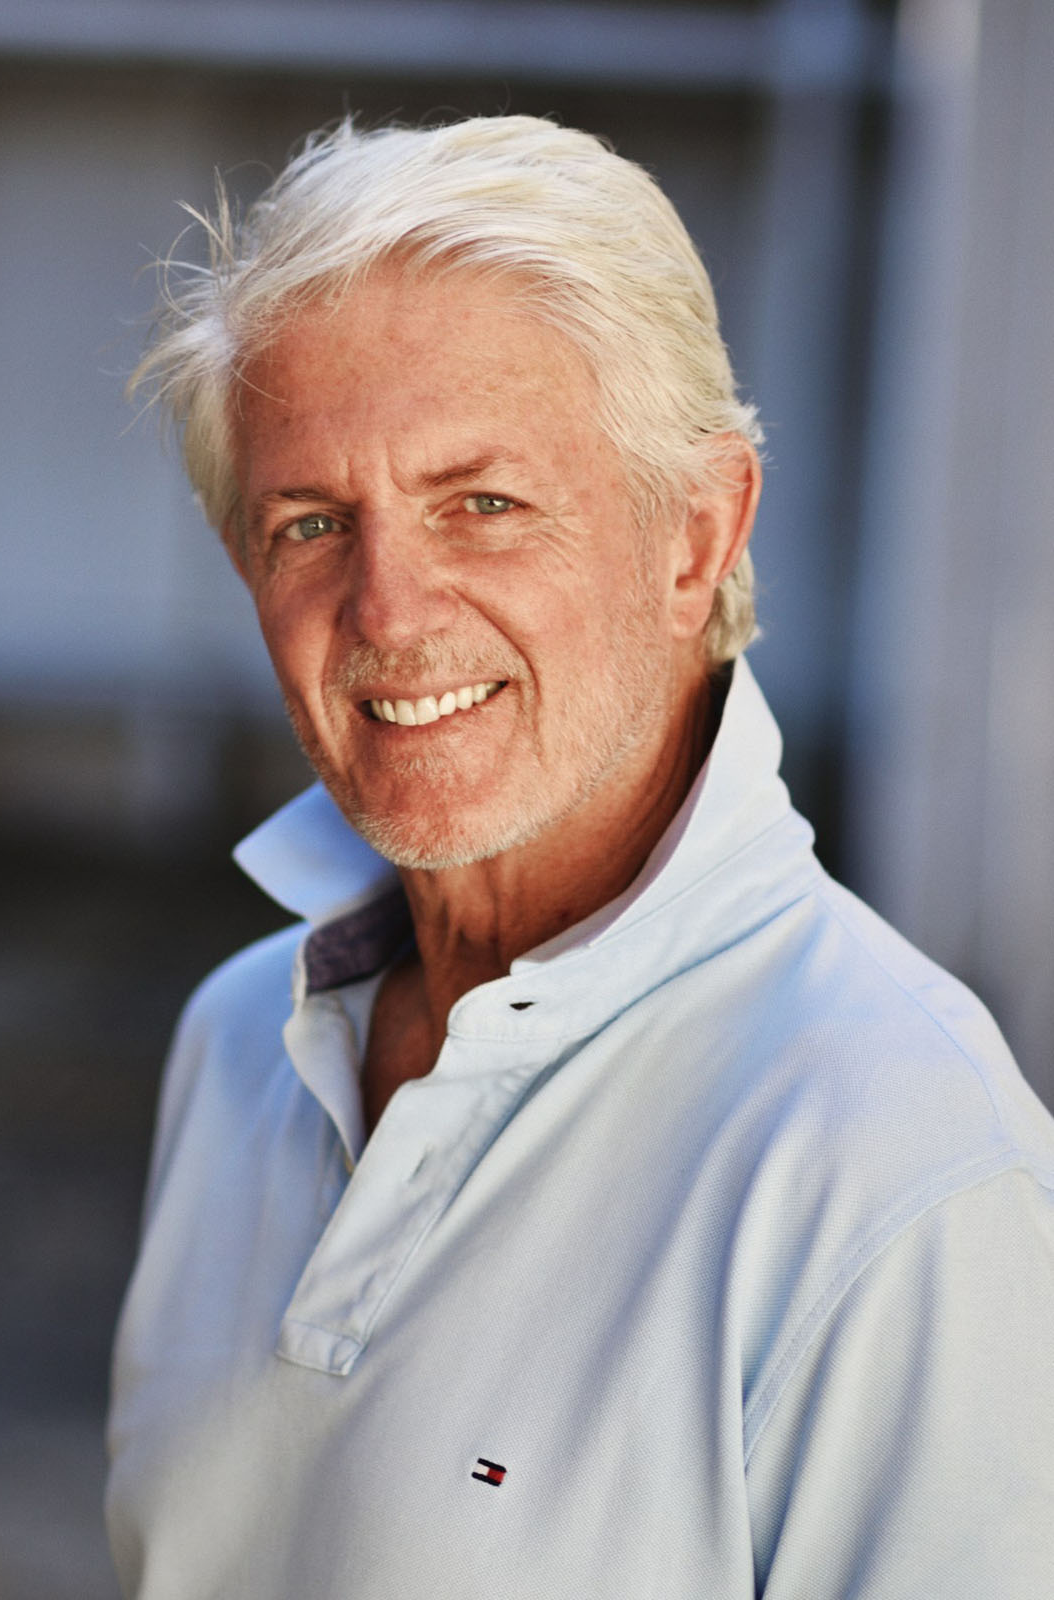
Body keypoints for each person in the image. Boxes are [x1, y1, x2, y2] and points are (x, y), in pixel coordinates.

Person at [106, 116, 1054, 1599]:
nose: (389, 612)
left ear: (696, 534)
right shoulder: (235, 1040)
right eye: (311, 523)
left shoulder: (901, 1161)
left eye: (482, 503)